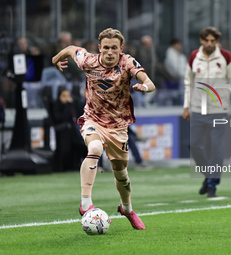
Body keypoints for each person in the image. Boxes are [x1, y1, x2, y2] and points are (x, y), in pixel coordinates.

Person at [52, 28, 155, 230]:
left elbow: (149, 82)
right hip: (93, 119)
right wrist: (56, 58)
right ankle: (85, 204)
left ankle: (127, 208)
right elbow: (72, 49)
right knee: (95, 149)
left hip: (118, 127)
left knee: (121, 174)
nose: (109, 52)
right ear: (100, 48)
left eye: (114, 48)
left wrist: (145, 87)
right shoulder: (89, 61)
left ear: (120, 49)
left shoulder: (127, 63)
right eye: (106, 48)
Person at [182, 27, 231, 197]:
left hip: (219, 109)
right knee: (194, 146)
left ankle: (212, 186)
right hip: (197, 109)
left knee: (216, 148)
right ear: (201, 41)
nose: (209, 43)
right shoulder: (194, 56)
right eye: (206, 40)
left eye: (212, 41)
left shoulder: (226, 57)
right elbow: (188, 83)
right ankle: (209, 175)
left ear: (216, 42)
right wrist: (186, 106)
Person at [53, 87, 87, 171]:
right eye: (64, 96)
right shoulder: (56, 106)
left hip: (74, 132)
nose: (67, 98)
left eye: (68, 96)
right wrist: (68, 105)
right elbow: (61, 118)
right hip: (63, 131)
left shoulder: (73, 105)